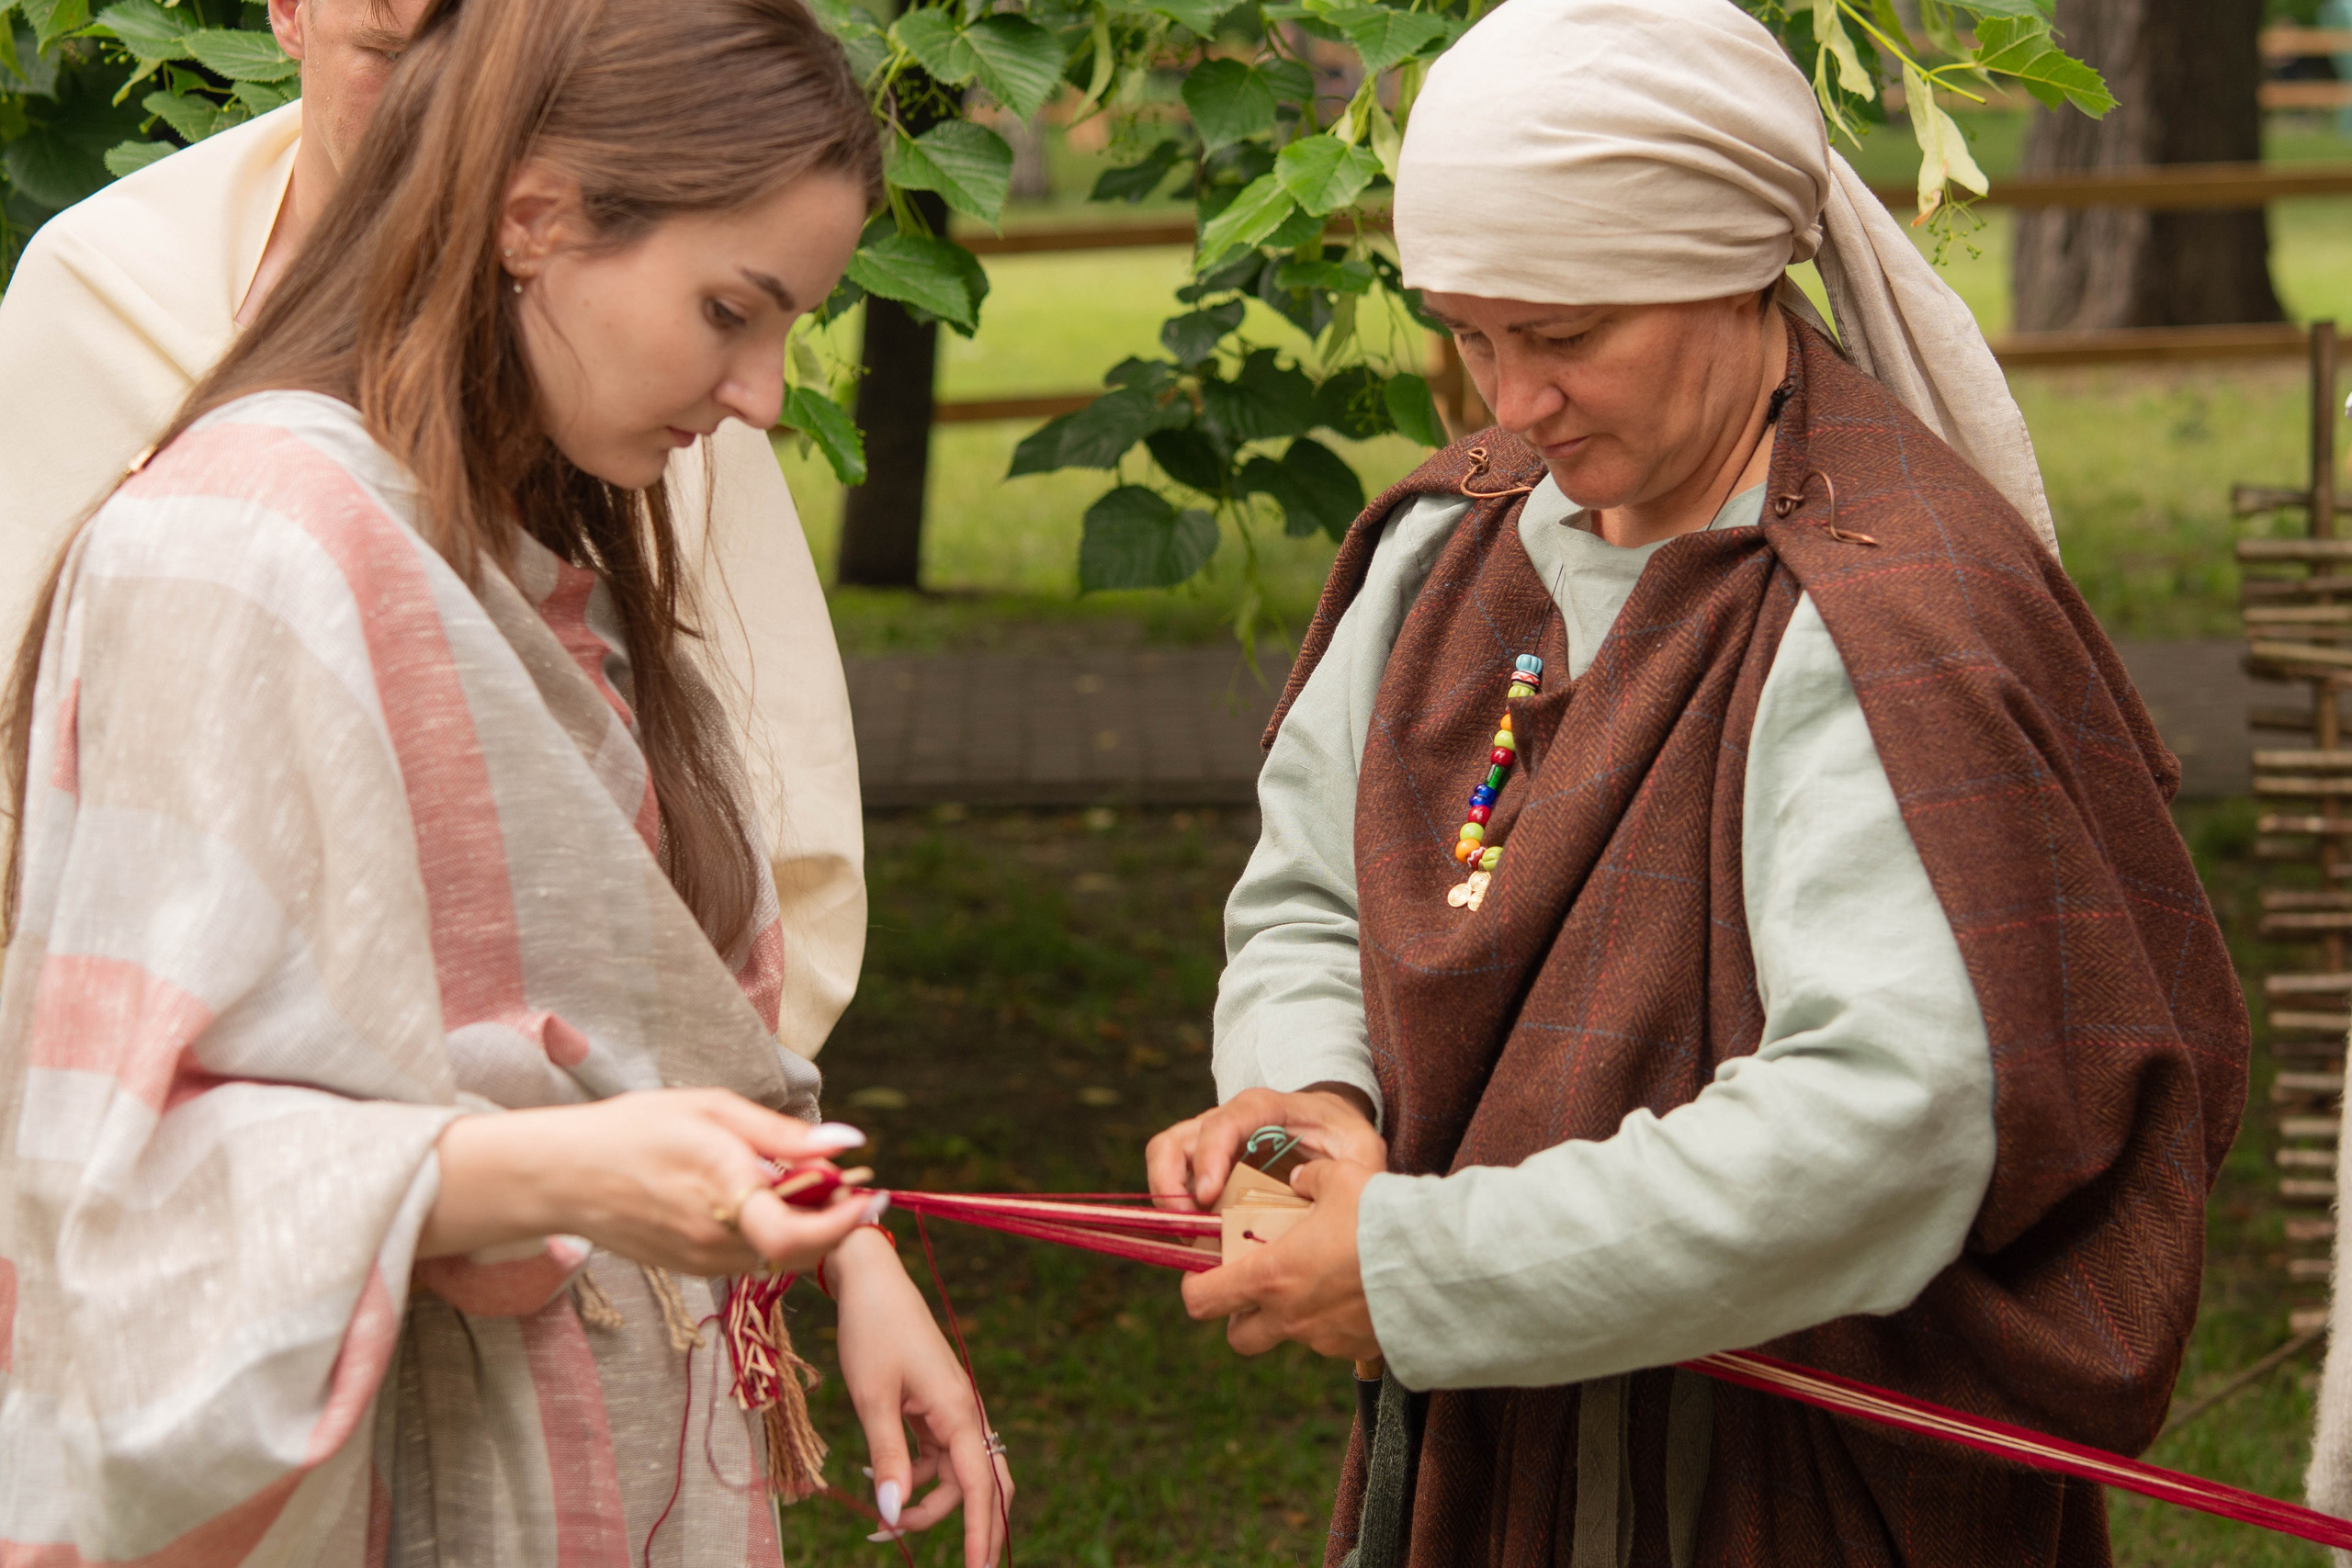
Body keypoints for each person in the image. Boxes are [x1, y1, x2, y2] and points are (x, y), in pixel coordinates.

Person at [1146, 1, 2249, 1563]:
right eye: (1471, 331)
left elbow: (1888, 1117)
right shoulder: (1439, 550)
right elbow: (1315, 895)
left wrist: (1422, 1266)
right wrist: (1304, 1099)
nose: (1509, 402)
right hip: (1489, 1451)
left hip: (1806, 1488)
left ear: (1732, 273)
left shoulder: (1888, 611)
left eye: (1568, 335)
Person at [0, 0, 1011, 1562]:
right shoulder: (240, 554)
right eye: (733, 310)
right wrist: (558, 1171)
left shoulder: (537, 523)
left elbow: (627, 1007)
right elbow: (128, 1188)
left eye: (789, 325)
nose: (761, 393)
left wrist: (845, 1250)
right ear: (534, 220)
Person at [0, 0, 865, 1063]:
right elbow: (146, 1069)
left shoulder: (629, 392)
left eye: (493, 58)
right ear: (289, 13)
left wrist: (749, 1152)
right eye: (396, 54)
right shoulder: (142, 348)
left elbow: (773, 811)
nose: (451, 111)